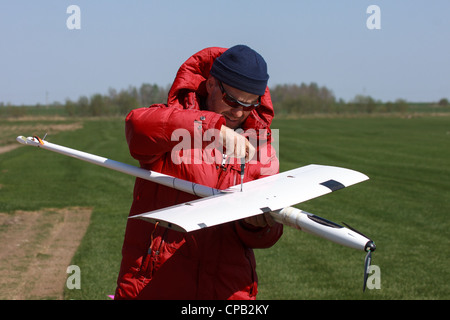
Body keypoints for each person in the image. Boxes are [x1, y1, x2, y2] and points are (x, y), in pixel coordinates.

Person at [114, 45, 283, 300]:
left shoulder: (262, 148)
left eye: (249, 105)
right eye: (232, 100)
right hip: (156, 286)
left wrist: (258, 227)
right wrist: (210, 128)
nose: (238, 113)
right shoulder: (172, 121)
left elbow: (264, 238)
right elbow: (137, 128)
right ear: (212, 84)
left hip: (227, 290)